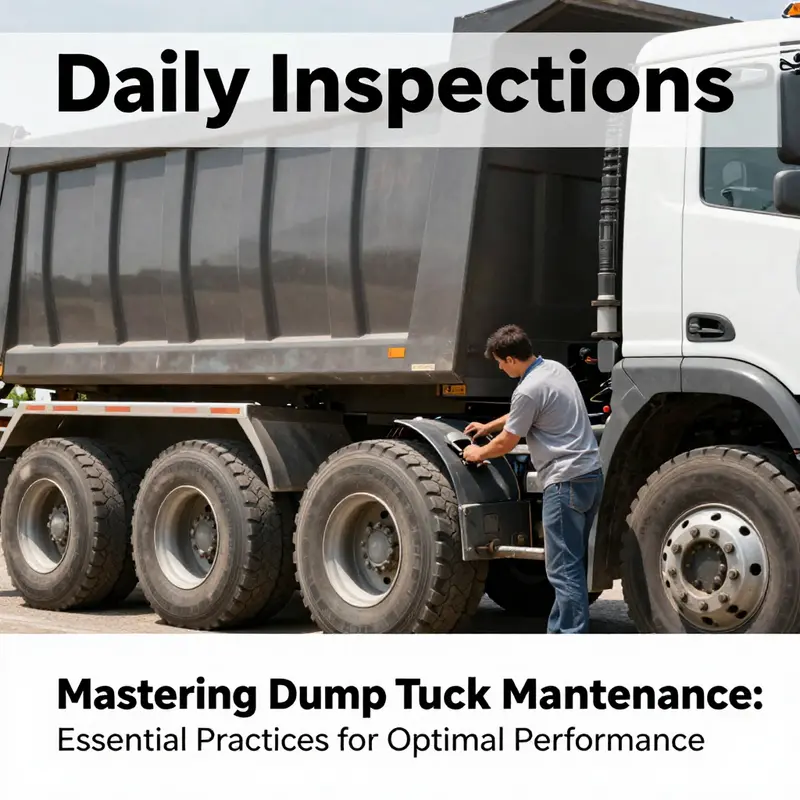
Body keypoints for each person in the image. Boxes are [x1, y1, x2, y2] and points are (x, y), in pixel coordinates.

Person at [462, 324, 604, 634]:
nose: (500, 368)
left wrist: (478, 453)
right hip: (590, 476)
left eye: (500, 362)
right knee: (574, 563)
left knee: (562, 569)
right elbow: (526, 413)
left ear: (511, 359)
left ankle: (568, 638)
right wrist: (489, 425)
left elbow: (508, 443)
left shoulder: (526, 390)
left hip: (564, 481)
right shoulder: (554, 370)